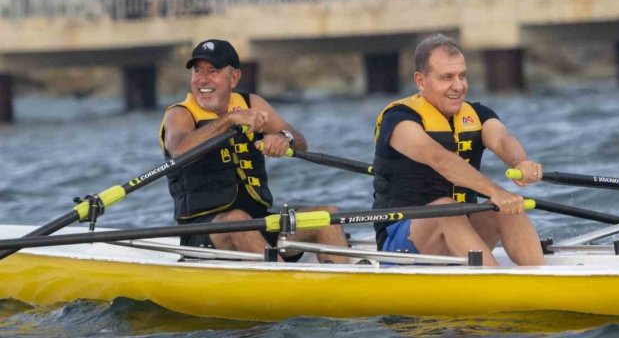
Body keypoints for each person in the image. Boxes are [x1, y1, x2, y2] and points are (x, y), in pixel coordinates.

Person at [160, 39, 349, 262]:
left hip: (260, 222)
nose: (202, 79)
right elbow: (180, 151)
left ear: (234, 78)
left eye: (213, 71)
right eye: (197, 71)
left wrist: (282, 138)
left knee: (326, 215)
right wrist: (230, 120)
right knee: (237, 221)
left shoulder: (252, 104)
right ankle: (290, 289)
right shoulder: (179, 115)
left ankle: (341, 288)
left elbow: (299, 140)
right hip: (203, 232)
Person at [371, 33, 545, 266]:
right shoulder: (400, 120)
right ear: (421, 81)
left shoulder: (477, 114)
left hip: (460, 231)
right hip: (401, 244)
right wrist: (495, 191)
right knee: (447, 209)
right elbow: (439, 159)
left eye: (462, 76)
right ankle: (497, 286)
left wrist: (520, 162)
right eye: (447, 77)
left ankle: (538, 278)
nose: (458, 86)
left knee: (509, 208)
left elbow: (502, 139)